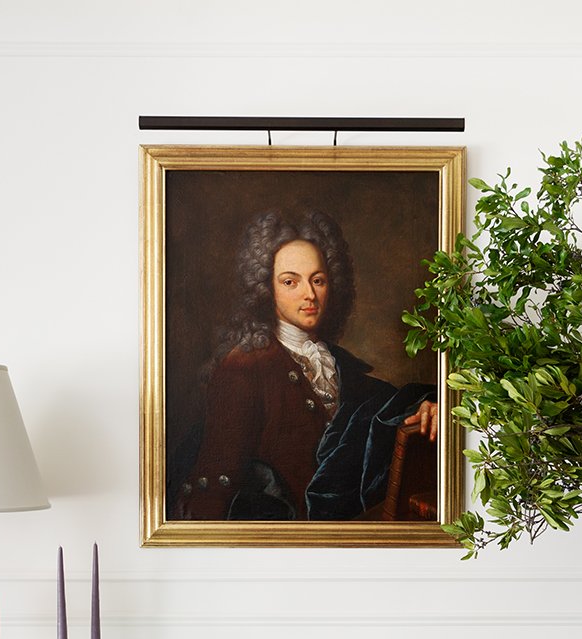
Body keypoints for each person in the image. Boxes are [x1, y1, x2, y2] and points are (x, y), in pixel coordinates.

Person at [174, 209, 438, 521]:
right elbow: (214, 489)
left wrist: (426, 407)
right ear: (265, 287)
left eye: (318, 280)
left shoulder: (340, 365)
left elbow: (383, 412)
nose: (309, 294)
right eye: (290, 282)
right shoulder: (242, 368)